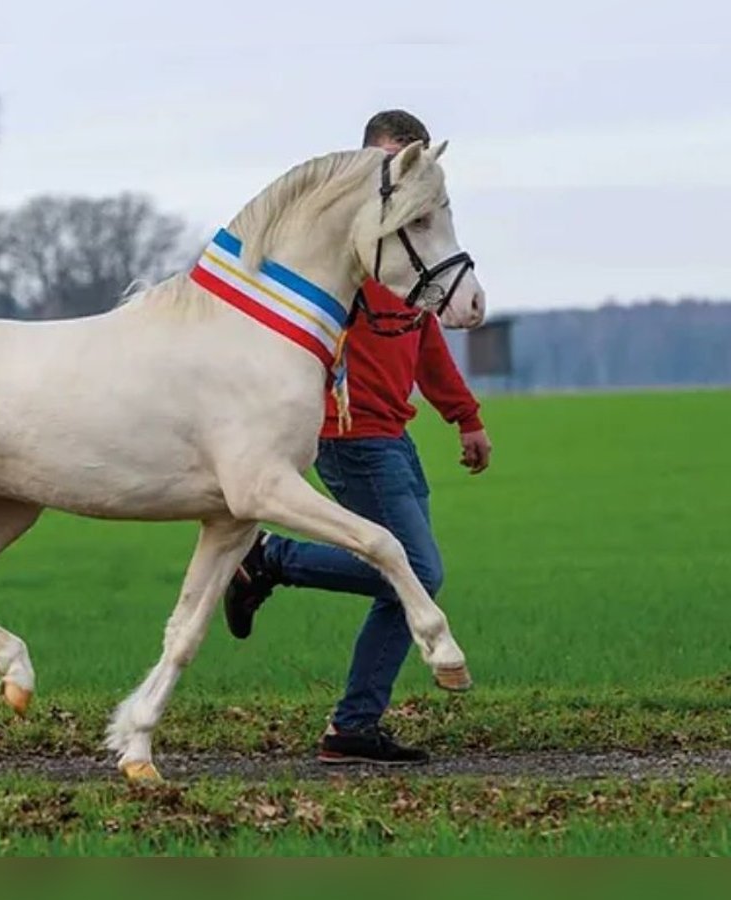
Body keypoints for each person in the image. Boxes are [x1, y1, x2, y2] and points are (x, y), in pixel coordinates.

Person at [222, 109, 493, 765]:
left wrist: (464, 414)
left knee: (403, 584)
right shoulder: (345, 250)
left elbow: (424, 338)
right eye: (386, 165)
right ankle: (270, 560)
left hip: (392, 435)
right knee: (417, 573)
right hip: (348, 433)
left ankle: (353, 728)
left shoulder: (409, 256)